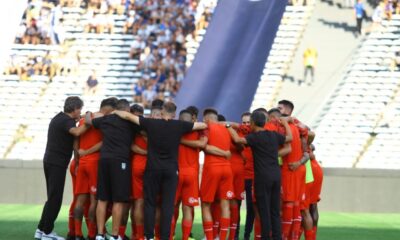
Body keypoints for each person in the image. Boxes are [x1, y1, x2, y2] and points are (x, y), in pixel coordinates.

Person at [113, 102, 208, 240]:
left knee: (150, 203)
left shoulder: (151, 123)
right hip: (171, 171)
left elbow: (128, 117)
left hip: (152, 169)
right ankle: (164, 237)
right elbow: (203, 125)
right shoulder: (179, 125)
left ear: (162, 111)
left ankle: (148, 236)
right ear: (175, 114)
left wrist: (115, 112)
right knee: (168, 205)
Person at [227, 111, 292, 240]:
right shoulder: (274, 135)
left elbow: (237, 140)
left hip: (262, 178)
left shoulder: (254, 137)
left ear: (252, 123)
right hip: (276, 176)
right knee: (275, 211)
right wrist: (285, 124)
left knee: (264, 211)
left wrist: (228, 127)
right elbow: (290, 138)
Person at [35, 96, 90, 240]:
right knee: (55, 199)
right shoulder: (67, 121)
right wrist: (89, 122)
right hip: (57, 163)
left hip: (51, 161)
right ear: (75, 109)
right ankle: (47, 232)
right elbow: (77, 132)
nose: (80, 113)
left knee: (52, 198)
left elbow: (74, 122)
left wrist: (83, 116)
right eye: (80, 110)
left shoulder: (59, 118)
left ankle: (41, 229)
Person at [85, 99, 141, 240]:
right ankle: (115, 236)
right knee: (118, 200)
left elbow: (88, 121)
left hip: (103, 161)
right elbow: (145, 130)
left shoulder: (106, 119)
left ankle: (99, 234)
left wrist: (87, 113)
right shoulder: (131, 122)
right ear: (127, 110)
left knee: (102, 199)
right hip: (120, 161)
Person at [73, 98, 117, 240]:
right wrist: (88, 152)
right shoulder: (105, 121)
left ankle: (78, 234)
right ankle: (93, 234)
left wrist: (78, 160)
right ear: (109, 109)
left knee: (79, 200)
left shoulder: (84, 120)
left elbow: (76, 141)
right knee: (94, 201)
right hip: (95, 163)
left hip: (82, 163)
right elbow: (104, 143)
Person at [172, 109, 207, 240]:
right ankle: (185, 237)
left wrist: (180, 141)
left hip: (175, 173)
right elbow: (202, 143)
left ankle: (170, 235)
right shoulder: (198, 130)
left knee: (172, 206)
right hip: (191, 174)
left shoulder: (173, 130)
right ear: (192, 119)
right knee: (188, 208)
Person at [200, 108, 234, 240]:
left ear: (206, 119)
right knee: (225, 205)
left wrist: (222, 153)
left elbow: (205, 146)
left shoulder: (206, 127)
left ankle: (209, 237)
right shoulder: (226, 129)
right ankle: (222, 237)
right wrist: (225, 153)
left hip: (212, 168)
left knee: (206, 204)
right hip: (227, 169)